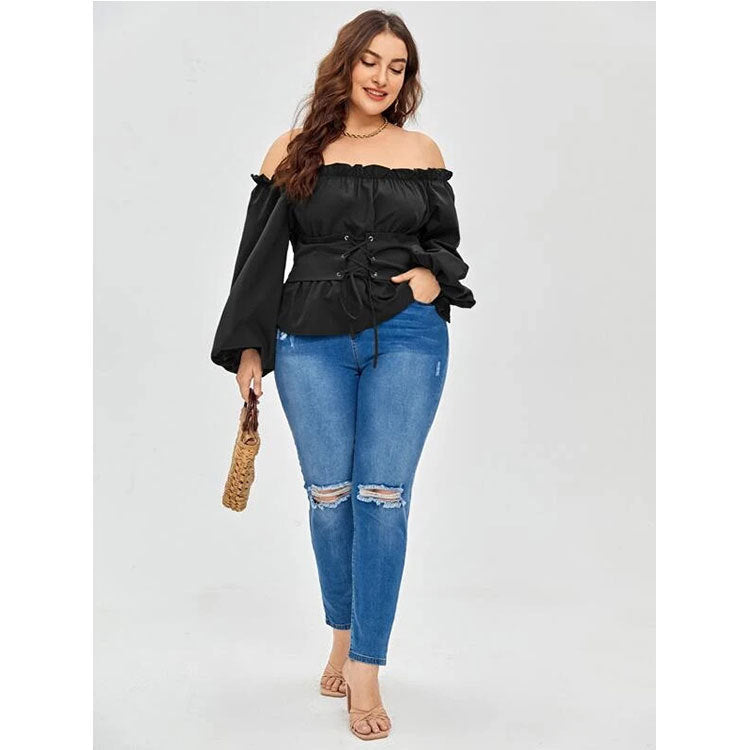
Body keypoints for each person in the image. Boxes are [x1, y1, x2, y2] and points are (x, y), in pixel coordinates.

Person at [210, 9, 476, 741]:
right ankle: (341, 632)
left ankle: (365, 666)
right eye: (371, 61)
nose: (383, 77)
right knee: (330, 498)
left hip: (408, 336)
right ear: (345, 63)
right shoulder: (294, 148)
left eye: (398, 66)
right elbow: (259, 256)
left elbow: (445, 244)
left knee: (381, 498)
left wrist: (430, 278)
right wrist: (250, 350)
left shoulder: (421, 150)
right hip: (310, 340)